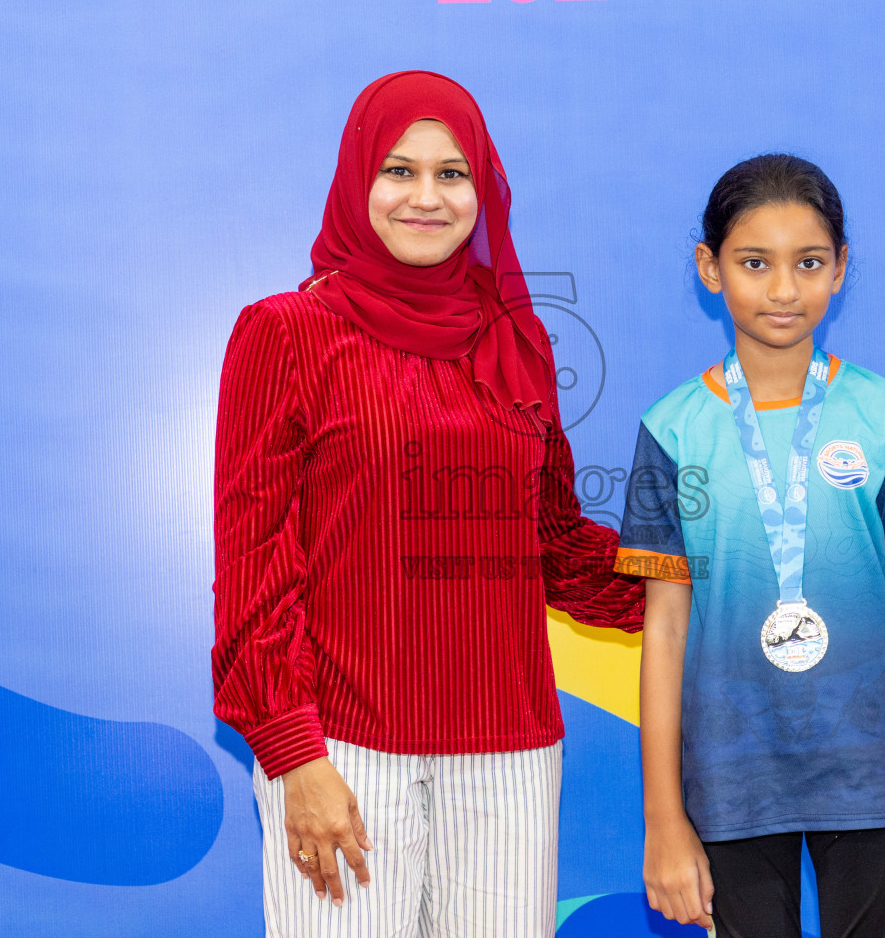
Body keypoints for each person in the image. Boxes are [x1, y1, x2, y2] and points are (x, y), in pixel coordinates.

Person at [212, 70, 645, 938]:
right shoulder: (286, 333)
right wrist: (296, 757)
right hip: (342, 747)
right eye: (399, 170)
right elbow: (255, 566)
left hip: (509, 751)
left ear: (482, 192)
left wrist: (706, 572)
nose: (427, 196)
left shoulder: (515, 334)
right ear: (357, 178)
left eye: (453, 174)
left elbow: (555, 542)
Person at [617, 154, 885, 938]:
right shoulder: (672, 429)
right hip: (730, 783)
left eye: (808, 263)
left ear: (841, 269)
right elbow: (665, 631)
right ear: (710, 269)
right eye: (755, 263)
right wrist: (664, 820)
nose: (783, 289)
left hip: (873, 779)